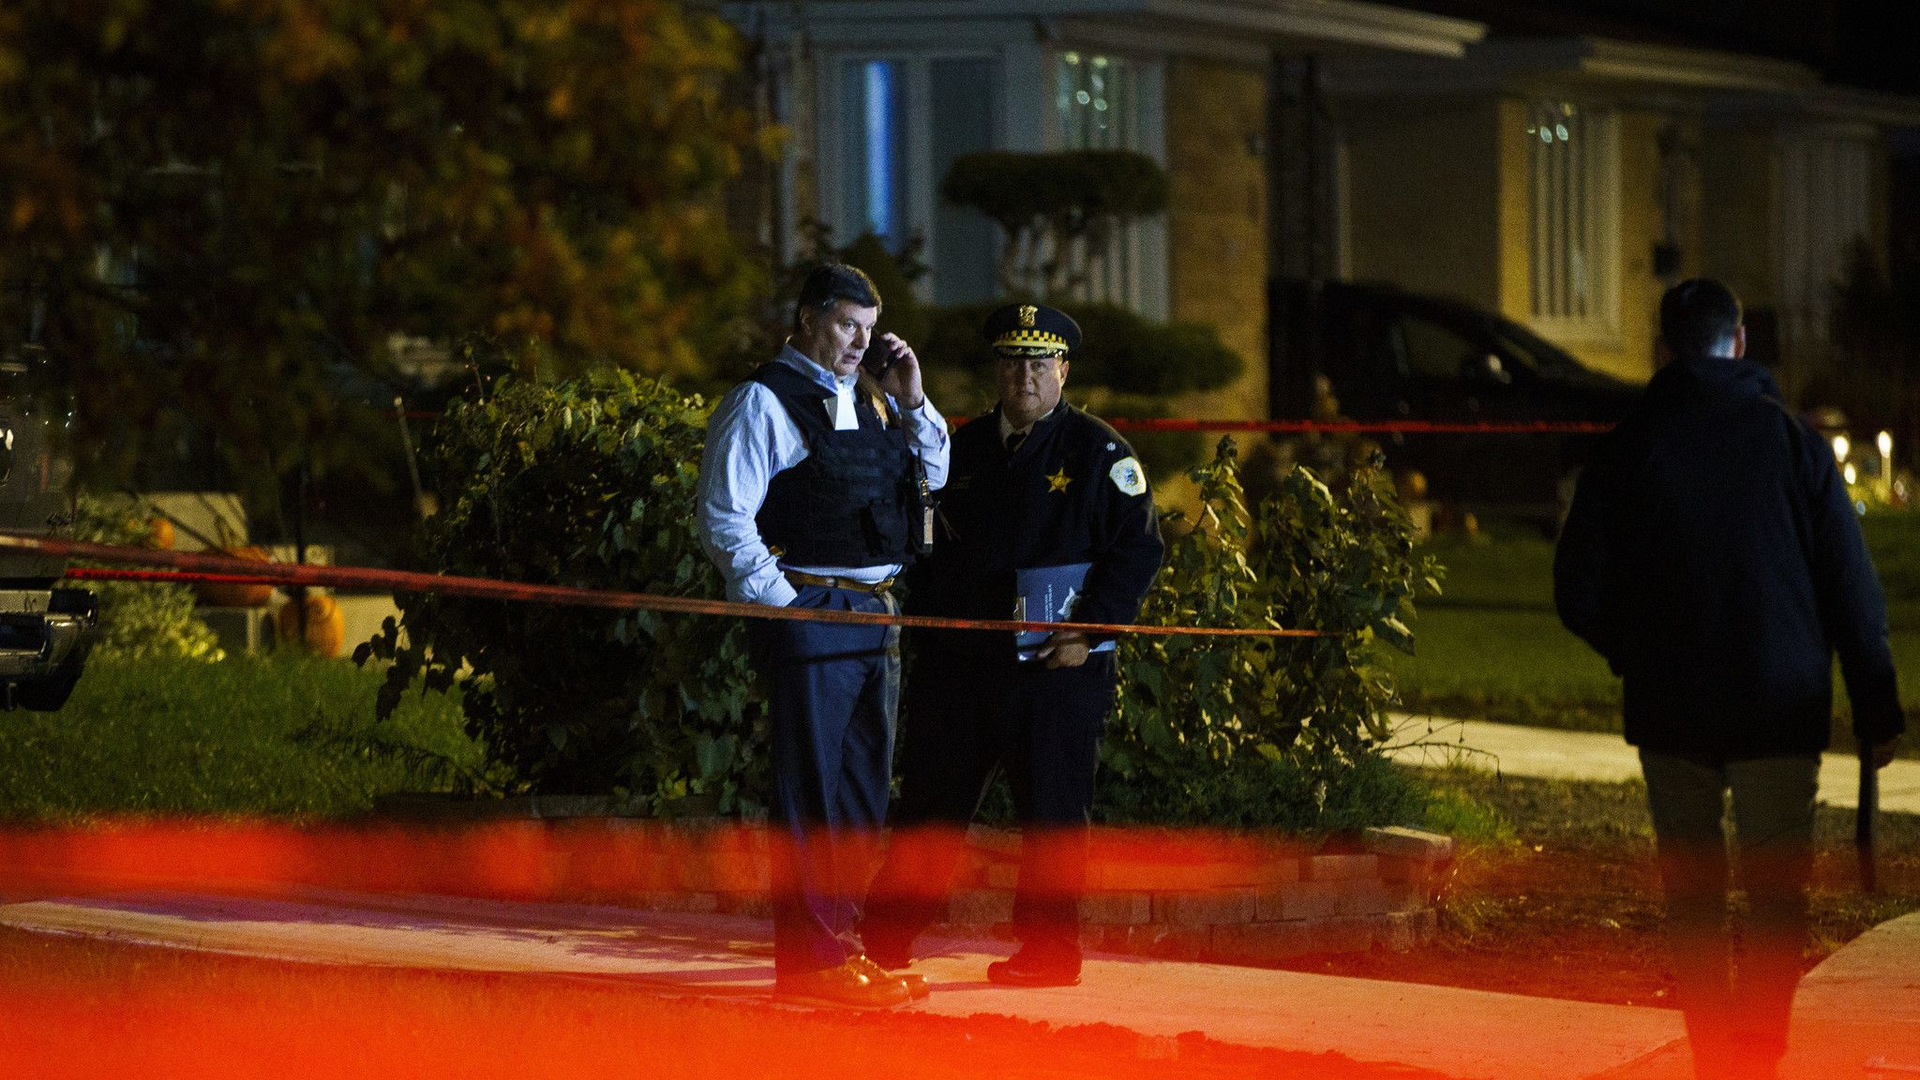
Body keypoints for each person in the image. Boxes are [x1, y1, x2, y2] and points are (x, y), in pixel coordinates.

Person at [1554, 278, 1903, 1080]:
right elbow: (1853, 591)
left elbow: (1577, 589)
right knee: (1778, 895)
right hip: (1780, 708)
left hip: (1672, 709)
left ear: (1664, 348)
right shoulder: (1795, 447)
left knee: (1696, 897)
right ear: (1739, 342)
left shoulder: (1629, 446)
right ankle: (1759, 1054)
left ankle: (1715, 1054)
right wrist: (1876, 707)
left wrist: (1633, 649)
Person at [862, 302, 1165, 988]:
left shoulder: (1099, 453)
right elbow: (930, 546)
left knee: (1054, 816)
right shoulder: (961, 450)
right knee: (930, 809)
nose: (1024, 376)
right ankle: (885, 938)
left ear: (1063, 369)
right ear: (997, 370)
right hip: (964, 671)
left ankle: (1050, 954)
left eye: (1038, 362)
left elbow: (1138, 551)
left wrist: (1091, 631)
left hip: (1057, 671)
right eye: (1011, 361)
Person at [696, 262, 950, 1009]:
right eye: (846, 325)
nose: (857, 342)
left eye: (868, 330)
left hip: (875, 609)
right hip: (815, 607)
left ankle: (842, 951)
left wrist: (913, 400)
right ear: (807, 318)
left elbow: (929, 480)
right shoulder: (763, 401)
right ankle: (811, 961)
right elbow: (723, 517)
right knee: (812, 792)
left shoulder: (871, 400)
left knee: (862, 792)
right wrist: (788, 604)